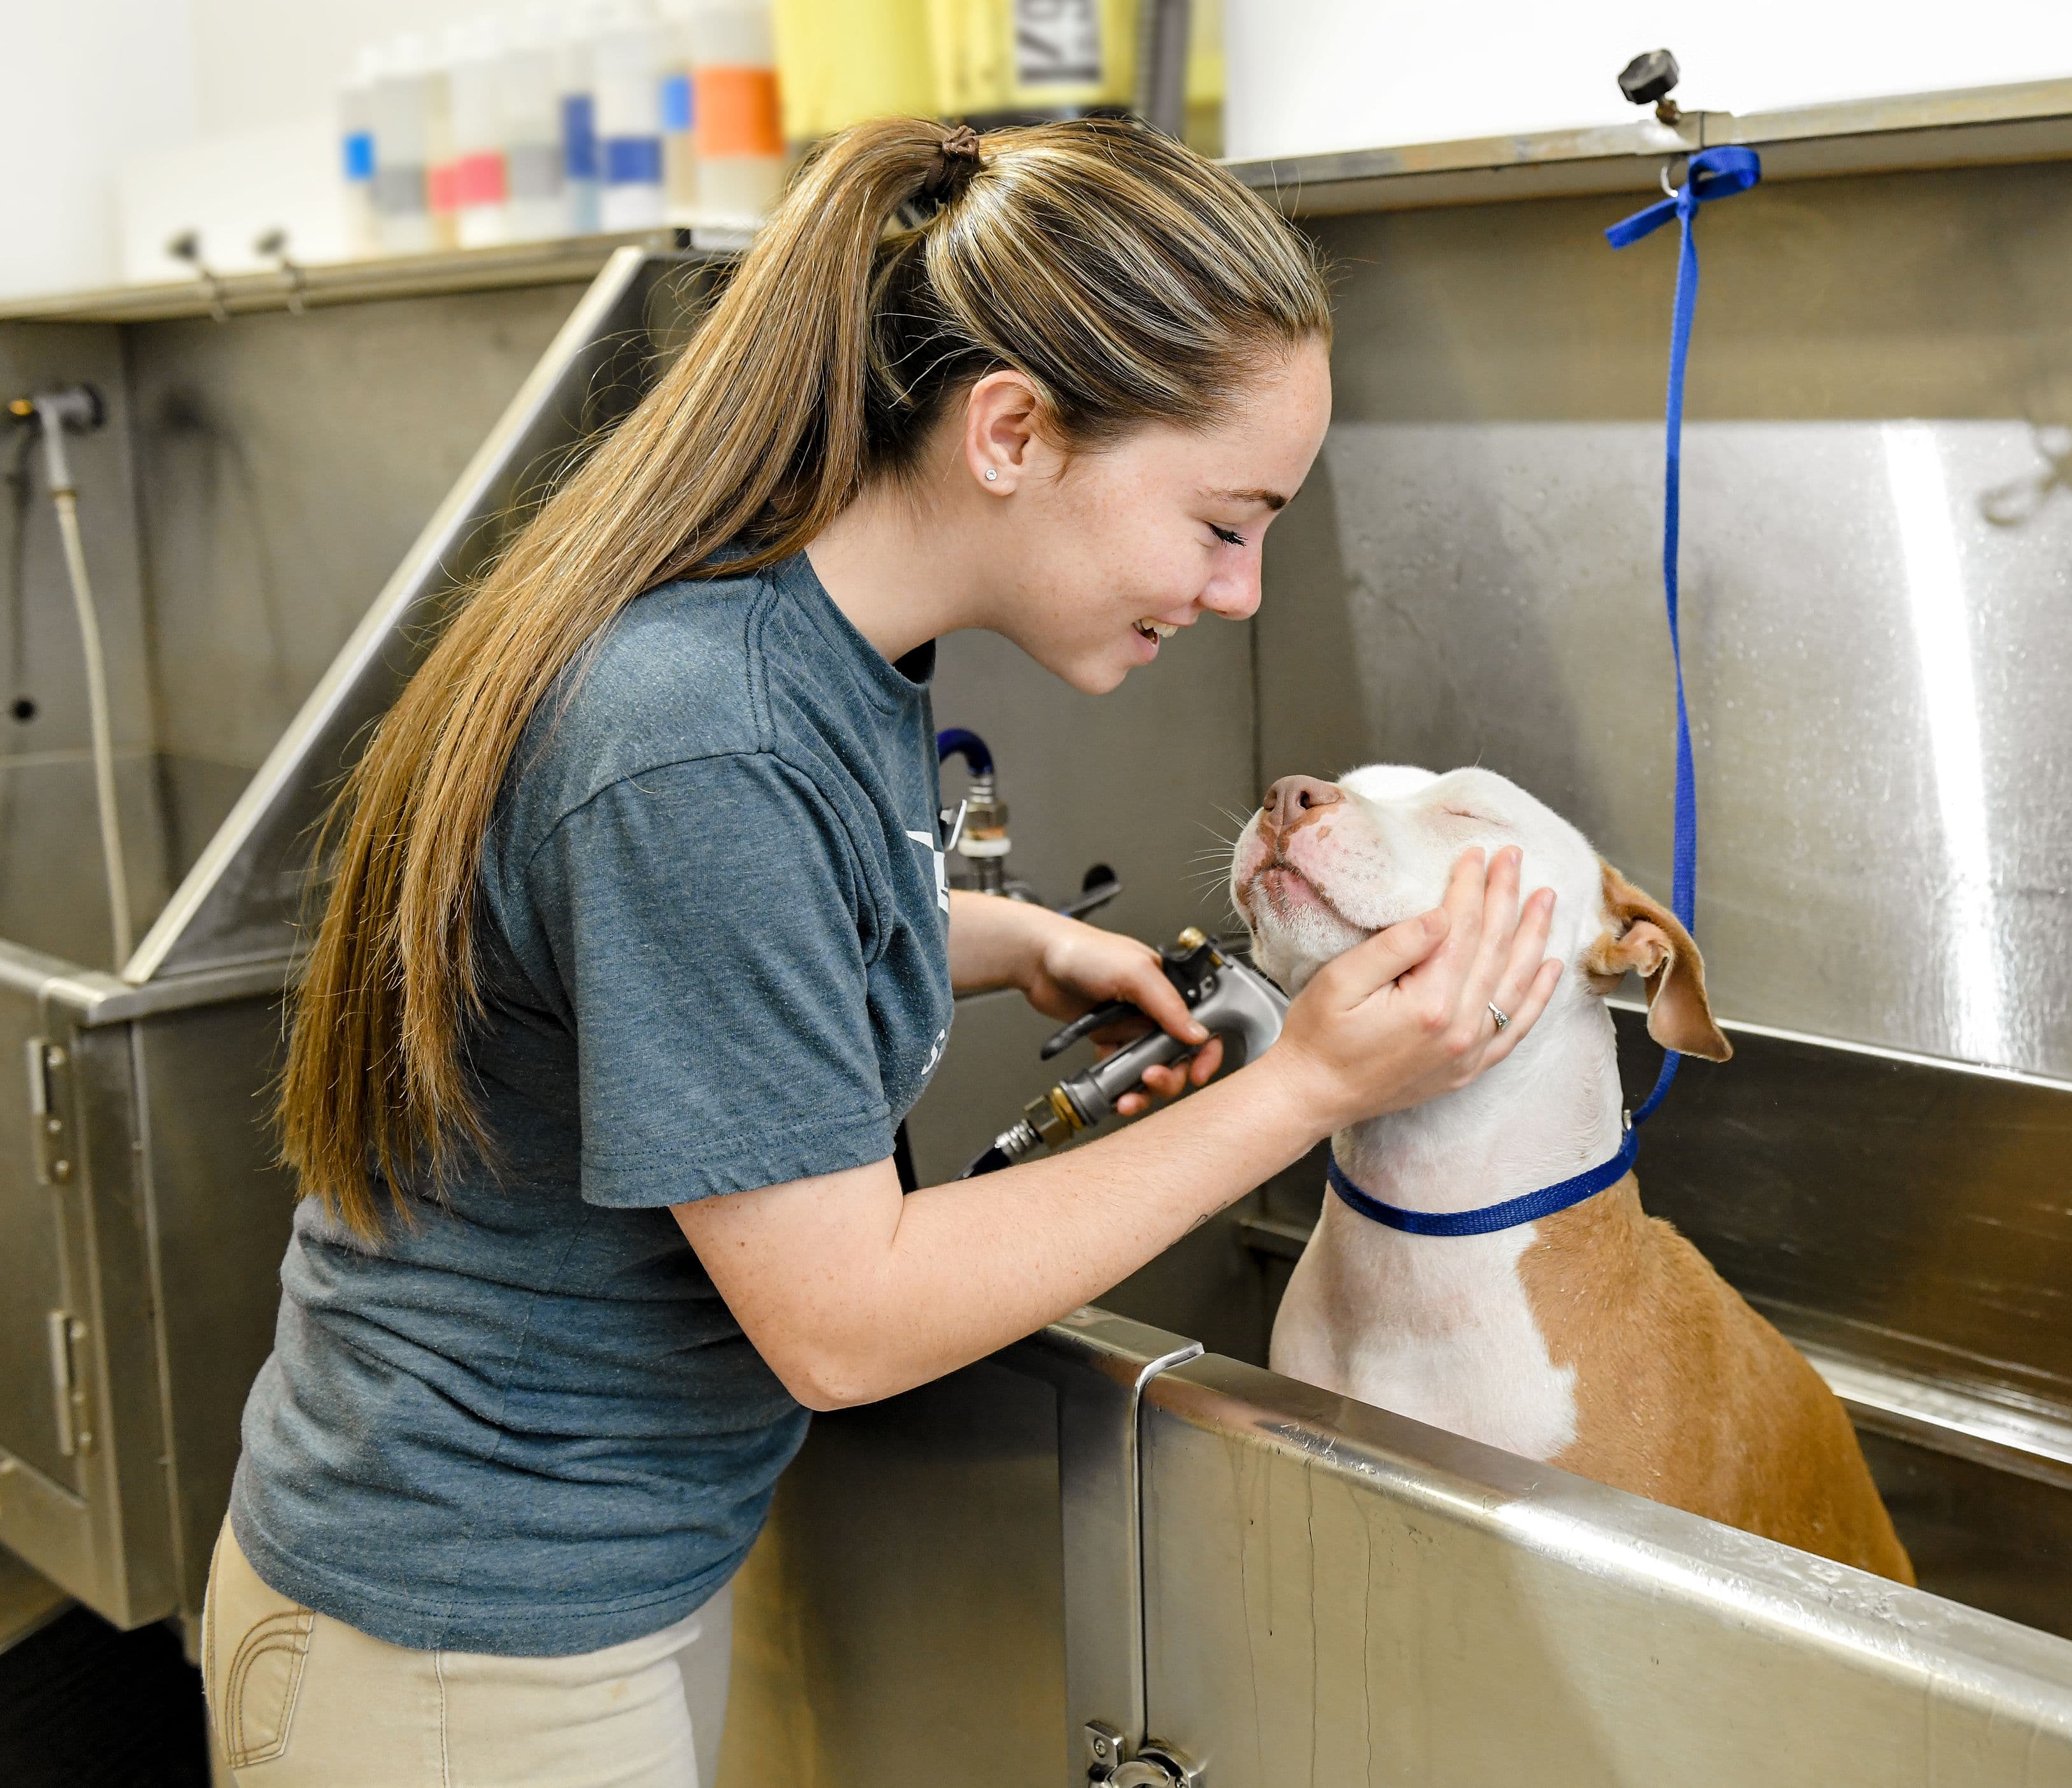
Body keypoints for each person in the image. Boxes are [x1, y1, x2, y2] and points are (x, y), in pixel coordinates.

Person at [201, 116, 1562, 1786]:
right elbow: (843, 1325)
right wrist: (1309, 1090)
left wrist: (1001, 939)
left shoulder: (809, 648)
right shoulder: (709, 740)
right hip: (455, 1646)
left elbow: (698, 948)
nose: (1240, 591)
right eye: (1225, 522)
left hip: (543, 1596)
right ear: (1011, 430)